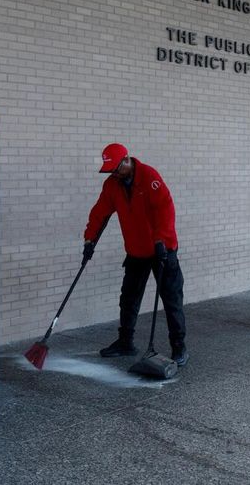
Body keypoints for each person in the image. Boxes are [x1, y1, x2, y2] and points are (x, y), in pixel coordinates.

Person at [82, 143, 188, 366]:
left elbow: (165, 209)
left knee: (171, 299)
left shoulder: (149, 176)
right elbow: (100, 211)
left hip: (163, 249)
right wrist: (89, 239)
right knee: (128, 298)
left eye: (116, 168)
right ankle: (125, 342)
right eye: (110, 170)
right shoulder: (112, 185)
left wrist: (161, 240)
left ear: (126, 160)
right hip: (136, 250)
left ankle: (179, 347)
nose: (114, 173)